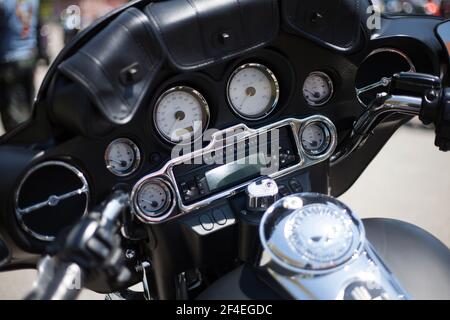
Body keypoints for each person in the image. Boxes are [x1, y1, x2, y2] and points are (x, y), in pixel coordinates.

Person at [0, 0, 40, 132]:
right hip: (29, 56)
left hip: (10, 59)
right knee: (28, 106)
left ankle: (22, 146)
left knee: (13, 111)